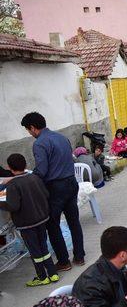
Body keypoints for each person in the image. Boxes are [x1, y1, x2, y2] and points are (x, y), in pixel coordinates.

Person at [22, 112, 85, 272]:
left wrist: (29, 179)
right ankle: (79, 257)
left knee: (52, 224)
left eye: (28, 131)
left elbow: (42, 170)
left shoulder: (40, 143)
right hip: (71, 182)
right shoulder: (61, 137)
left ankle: (64, 261)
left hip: (56, 187)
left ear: (33, 128)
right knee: (74, 221)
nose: (30, 134)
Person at [0, 154, 58, 286]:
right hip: (41, 218)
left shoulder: (13, 185)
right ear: (25, 165)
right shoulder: (35, 177)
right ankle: (53, 273)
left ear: (9, 168)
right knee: (43, 246)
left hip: (26, 223)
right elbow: (46, 194)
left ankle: (42, 277)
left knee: (34, 250)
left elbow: (13, 206)